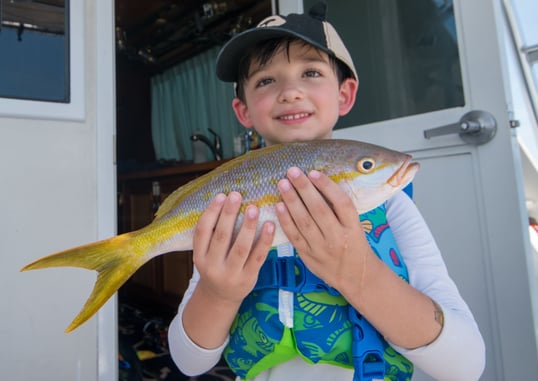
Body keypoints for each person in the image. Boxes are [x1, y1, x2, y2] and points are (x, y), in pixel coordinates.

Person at [167, 3, 485, 380]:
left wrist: (358, 272)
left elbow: (466, 367)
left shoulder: (392, 206)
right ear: (243, 111)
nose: (290, 91)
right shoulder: (233, 206)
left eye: (312, 72)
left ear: (345, 95)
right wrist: (218, 294)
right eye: (266, 80)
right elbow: (189, 363)